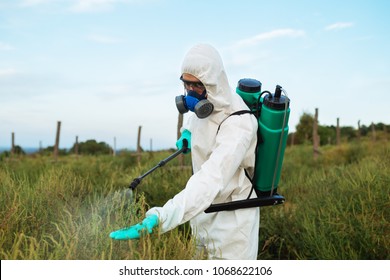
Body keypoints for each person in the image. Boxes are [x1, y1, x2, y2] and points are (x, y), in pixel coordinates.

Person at [110, 43, 260, 260]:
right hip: (200, 212)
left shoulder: (239, 124)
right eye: (186, 85)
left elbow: (211, 179)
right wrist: (187, 132)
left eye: (197, 86)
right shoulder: (207, 105)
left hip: (231, 224)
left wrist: (161, 217)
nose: (191, 93)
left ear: (213, 83)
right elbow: (197, 119)